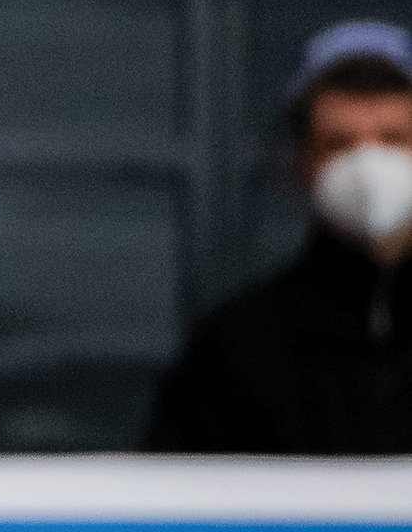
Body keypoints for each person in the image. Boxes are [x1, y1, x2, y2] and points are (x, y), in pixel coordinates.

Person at [144, 23, 412, 453]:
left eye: (394, 139)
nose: (368, 166)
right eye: (339, 144)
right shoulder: (238, 345)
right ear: (300, 163)